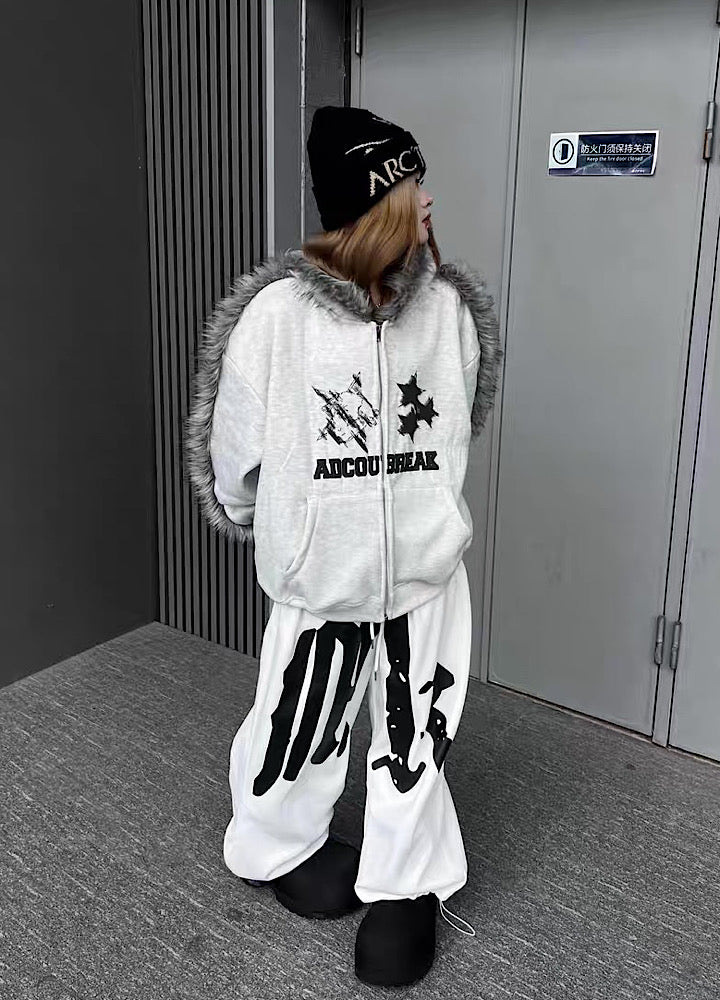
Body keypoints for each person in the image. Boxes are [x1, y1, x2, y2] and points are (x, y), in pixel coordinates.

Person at [184, 105, 502, 988]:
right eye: (411, 185)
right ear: (372, 201)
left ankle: (406, 884)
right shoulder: (276, 319)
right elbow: (234, 454)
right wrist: (296, 527)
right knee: (296, 723)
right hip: (318, 577)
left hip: (424, 577)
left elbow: (459, 427)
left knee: (416, 735)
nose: (427, 200)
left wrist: (421, 511)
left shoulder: (448, 311)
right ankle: (280, 845)